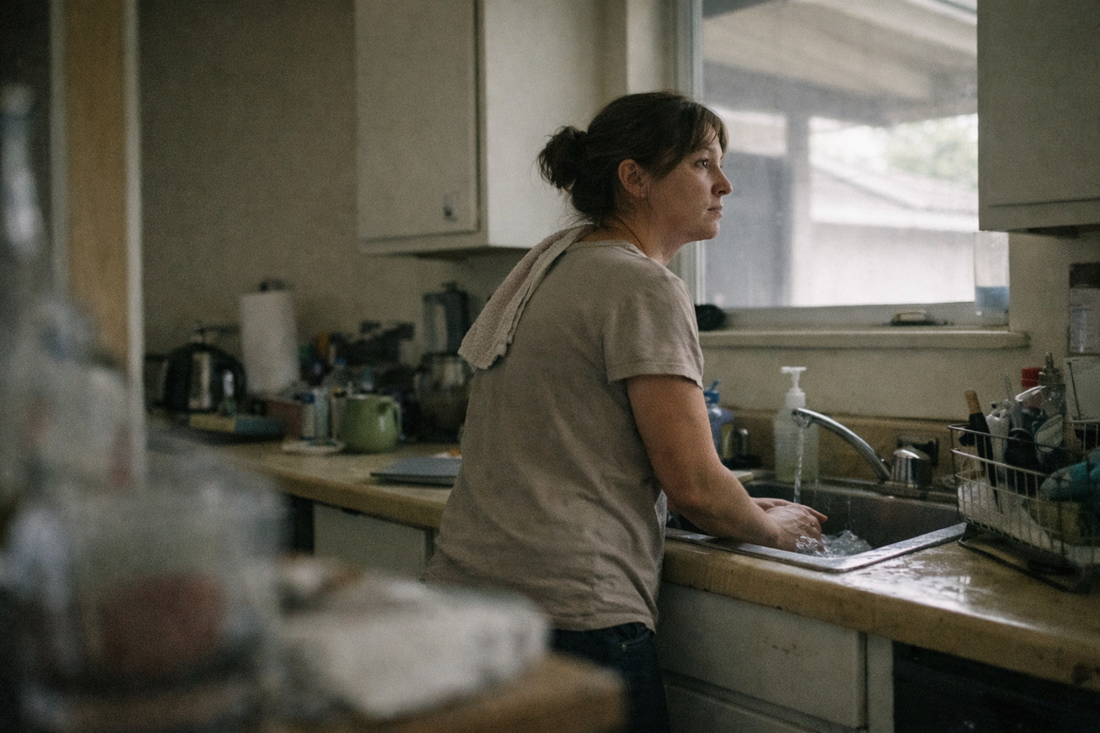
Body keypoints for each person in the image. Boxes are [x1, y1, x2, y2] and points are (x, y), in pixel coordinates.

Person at [423, 91, 826, 733]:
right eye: (701, 163)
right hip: (571, 616)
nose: (724, 183)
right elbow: (692, 482)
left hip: (465, 602)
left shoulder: (553, 266)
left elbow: (584, 456)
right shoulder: (642, 286)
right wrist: (773, 532)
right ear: (634, 178)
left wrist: (745, 508)